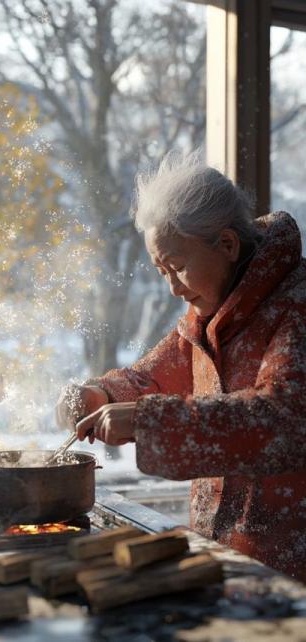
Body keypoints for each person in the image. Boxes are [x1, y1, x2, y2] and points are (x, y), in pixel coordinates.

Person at [56, 151, 306, 581]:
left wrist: (146, 420)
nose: (172, 288)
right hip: (227, 563)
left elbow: (283, 422)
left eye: (177, 267)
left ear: (227, 245)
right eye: (160, 271)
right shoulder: (208, 315)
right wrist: (97, 393)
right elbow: (149, 378)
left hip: (292, 569)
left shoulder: (297, 306)